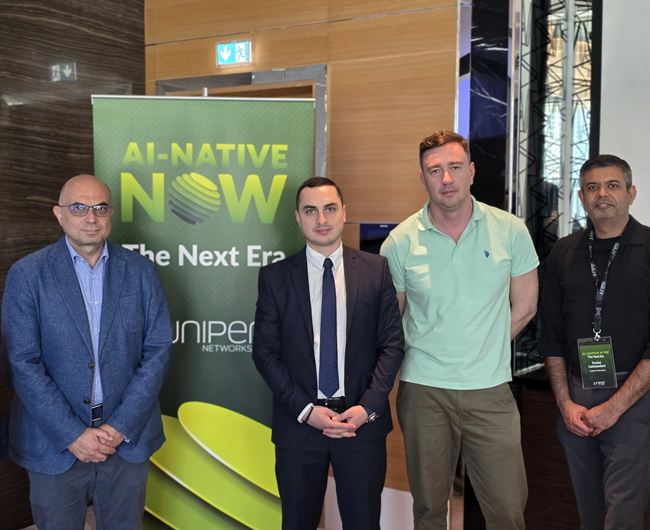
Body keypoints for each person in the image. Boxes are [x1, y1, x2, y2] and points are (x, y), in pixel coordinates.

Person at [380, 130, 539, 530]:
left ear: (471, 171)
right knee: (430, 511)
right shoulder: (399, 242)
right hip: (423, 391)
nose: (446, 178)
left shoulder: (510, 230)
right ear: (422, 178)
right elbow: (391, 322)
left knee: (507, 511)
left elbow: (526, 307)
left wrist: (481, 347)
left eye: (454, 167)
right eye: (435, 170)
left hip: (490, 390)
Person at [2, 174, 172, 529]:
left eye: (100, 208)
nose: (91, 217)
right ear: (59, 214)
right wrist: (73, 435)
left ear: (111, 214)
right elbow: (23, 362)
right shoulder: (28, 274)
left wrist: (120, 427)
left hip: (125, 440)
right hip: (54, 441)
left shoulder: (141, 272)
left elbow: (157, 352)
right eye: (78, 208)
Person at [252, 177, 405, 530]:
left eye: (329, 208)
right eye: (311, 211)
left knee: (363, 523)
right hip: (299, 426)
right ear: (298, 217)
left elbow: (392, 345)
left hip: (360, 426)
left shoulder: (376, 270)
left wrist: (367, 408)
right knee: (297, 523)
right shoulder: (274, 278)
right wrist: (306, 411)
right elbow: (265, 352)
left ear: (344, 213)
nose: (321, 219)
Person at [541, 154, 650, 529]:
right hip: (576, 400)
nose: (602, 193)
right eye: (592, 187)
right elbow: (551, 336)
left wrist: (615, 407)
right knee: (589, 516)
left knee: (622, 517)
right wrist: (565, 403)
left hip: (634, 400)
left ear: (631, 193)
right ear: (582, 197)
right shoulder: (564, 251)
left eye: (612, 185)